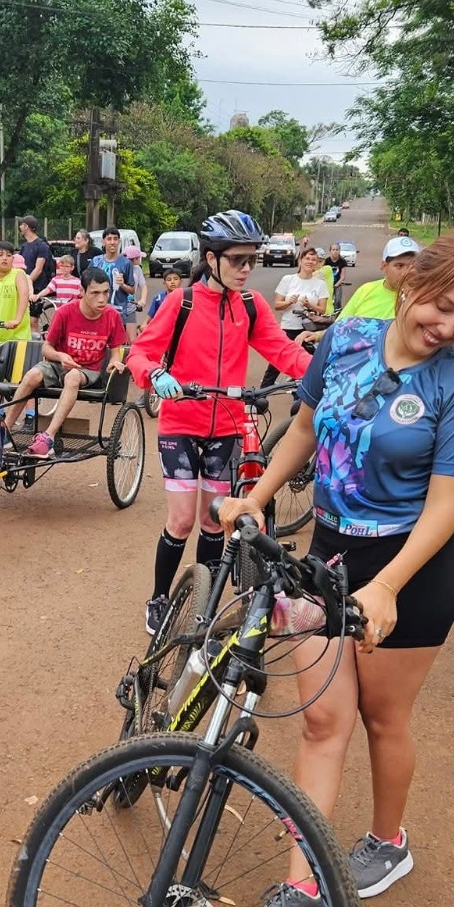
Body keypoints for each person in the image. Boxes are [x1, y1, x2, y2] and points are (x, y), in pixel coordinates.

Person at [217, 229, 454, 907]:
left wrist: (389, 586)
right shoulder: (346, 338)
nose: (449, 327)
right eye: (441, 306)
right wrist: (258, 495)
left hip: (411, 570)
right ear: (410, 284)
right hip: (329, 552)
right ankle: (305, 887)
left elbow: (446, 505)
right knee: (321, 720)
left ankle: (387, 841)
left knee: (383, 717)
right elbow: (305, 427)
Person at [128, 210, 312, 634]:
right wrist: (156, 374)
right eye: (236, 260)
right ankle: (159, 598)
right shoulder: (182, 302)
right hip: (179, 425)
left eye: (251, 260)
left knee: (216, 521)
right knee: (181, 521)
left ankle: (206, 604)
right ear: (211, 259)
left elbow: (283, 351)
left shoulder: (250, 305)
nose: (246, 269)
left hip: (226, 427)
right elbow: (140, 352)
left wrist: (324, 373)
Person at [0, 267, 126, 457]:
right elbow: (46, 348)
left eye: (106, 292)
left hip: (88, 371)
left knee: (73, 376)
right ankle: (6, 431)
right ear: (82, 291)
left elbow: (115, 351)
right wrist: (60, 356)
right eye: (95, 293)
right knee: (32, 374)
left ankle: (48, 437)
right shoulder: (65, 312)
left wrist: (115, 362)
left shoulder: (112, 316)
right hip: (58, 364)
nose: (102, 299)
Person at [260, 245, 330, 387]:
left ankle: (304, 394)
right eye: (307, 259)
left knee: (310, 362)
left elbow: (322, 309)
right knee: (277, 361)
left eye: (314, 260)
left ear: (317, 263)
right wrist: (289, 302)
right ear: (301, 260)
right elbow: (277, 305)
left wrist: (309, 305)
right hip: (288, 327)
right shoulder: (288, 280)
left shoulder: (320, 284)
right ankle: (262, 393)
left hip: (308, 329)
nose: (310, 262)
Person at [340, 235, 419, 321]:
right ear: (384, 266)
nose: (407, 272)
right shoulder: (366, 290)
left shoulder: (421, 299)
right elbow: (339, 325)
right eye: (399, 266)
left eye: (413, 266)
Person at [90, 227, 139, 338]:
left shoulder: (126, 263)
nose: (112, 242)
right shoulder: (96, 261)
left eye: (115, 239)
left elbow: (132, 290)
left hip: (119, 312)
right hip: (97, 311)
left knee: (117, 342)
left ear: (119, 241)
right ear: (103, 242)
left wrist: (122, 284)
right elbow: (86, 285)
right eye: (109, 239)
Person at [0, 241, 32, 343]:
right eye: (0, 255)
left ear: (12, 259)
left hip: (18, 338)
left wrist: (17, 320)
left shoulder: (18, 274)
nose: (4, 258)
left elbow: (24, 295)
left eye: (8, 255)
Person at [17, 215, 52, 299]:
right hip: (25, 288)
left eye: (21, 225)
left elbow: (38, 269)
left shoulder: (42, 245)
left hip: (37, 290)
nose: (19, 227)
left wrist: (27, 283)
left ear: (26, 226)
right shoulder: (24, 246)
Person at [322, 242, 350, 311]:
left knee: (337, 301)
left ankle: (338, 313)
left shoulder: (342, 261)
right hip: (328, 284)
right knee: (327, 300)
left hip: (338, 284)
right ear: (330, 251)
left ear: (339, 251)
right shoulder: (327, 261)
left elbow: (343, 276)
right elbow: (323, 273)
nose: (335, 251)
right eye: (333, 250)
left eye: (337, 250)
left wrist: (336, 285)